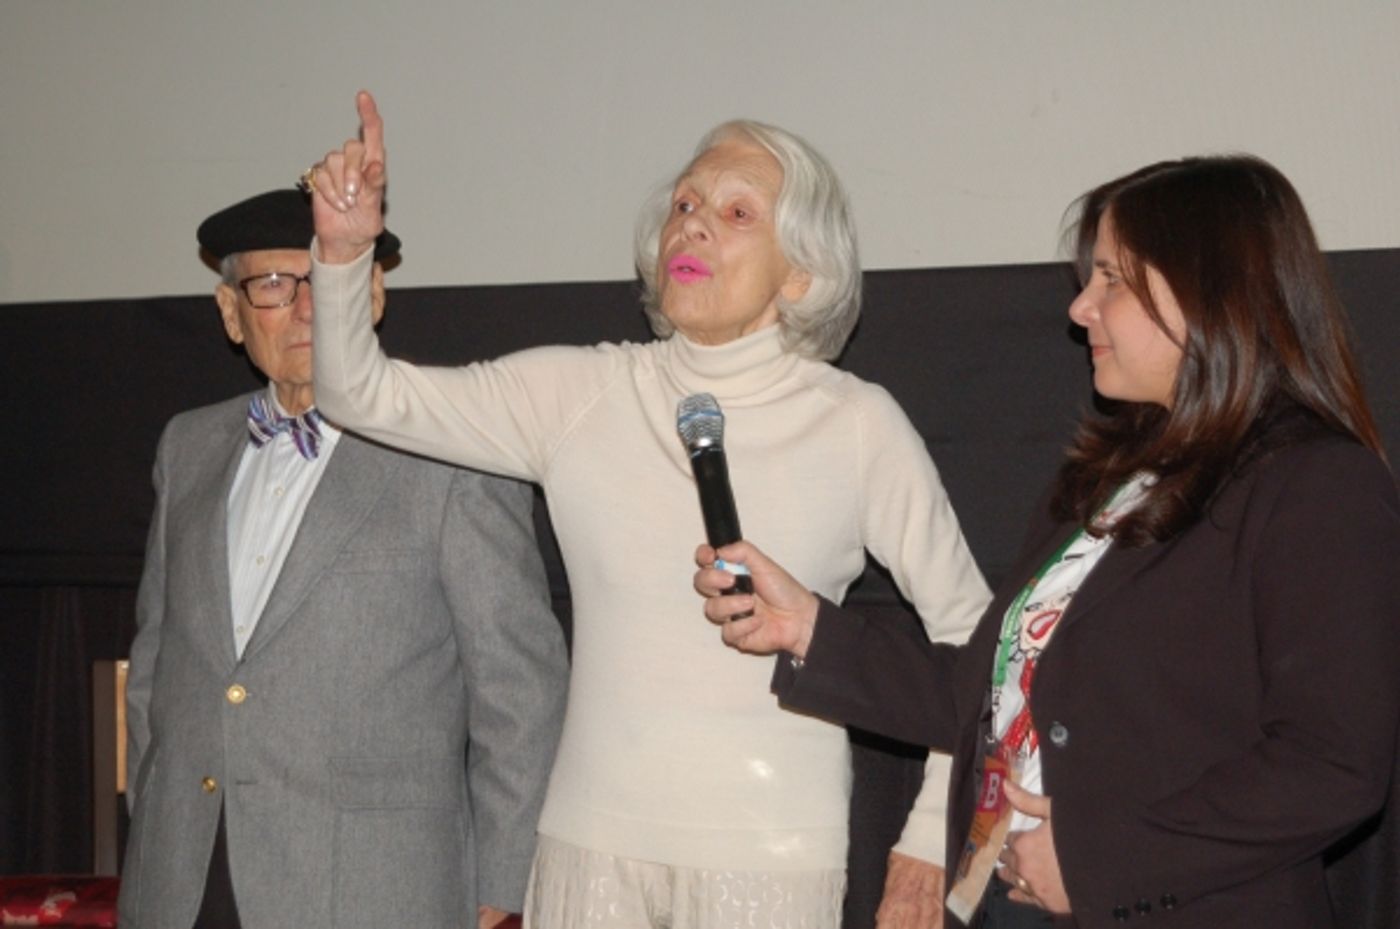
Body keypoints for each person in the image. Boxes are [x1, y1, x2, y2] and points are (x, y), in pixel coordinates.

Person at [303, 91, 990, 928]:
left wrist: (925, 839)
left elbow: (979, 644)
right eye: (686, 204)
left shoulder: (857, 425)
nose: (693, 226)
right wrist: (341, 255)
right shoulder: (581, 393)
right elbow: (358, 393)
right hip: (588, 853)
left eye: (737, 211)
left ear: (802, 271)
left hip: (773, 862)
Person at [696, 154, 1400, 928]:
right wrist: (809, 629)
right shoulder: (1109, 482)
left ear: (1211, 293)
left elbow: (1332, 763)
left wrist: (1104, 856)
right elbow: (989, 695)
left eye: (1113, 282)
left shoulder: (1316, 485)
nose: (1080, 311)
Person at [119, 188, 569, 929]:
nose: (305, 307)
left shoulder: (454, 447)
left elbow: (520, 690)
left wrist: (506, 885)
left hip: (373, 889)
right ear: (231, 312)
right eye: (271, 284)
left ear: (373, 293)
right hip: (183, 882)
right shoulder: (188, 446)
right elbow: (157, 661)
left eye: (327, 275)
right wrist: (157, 817)